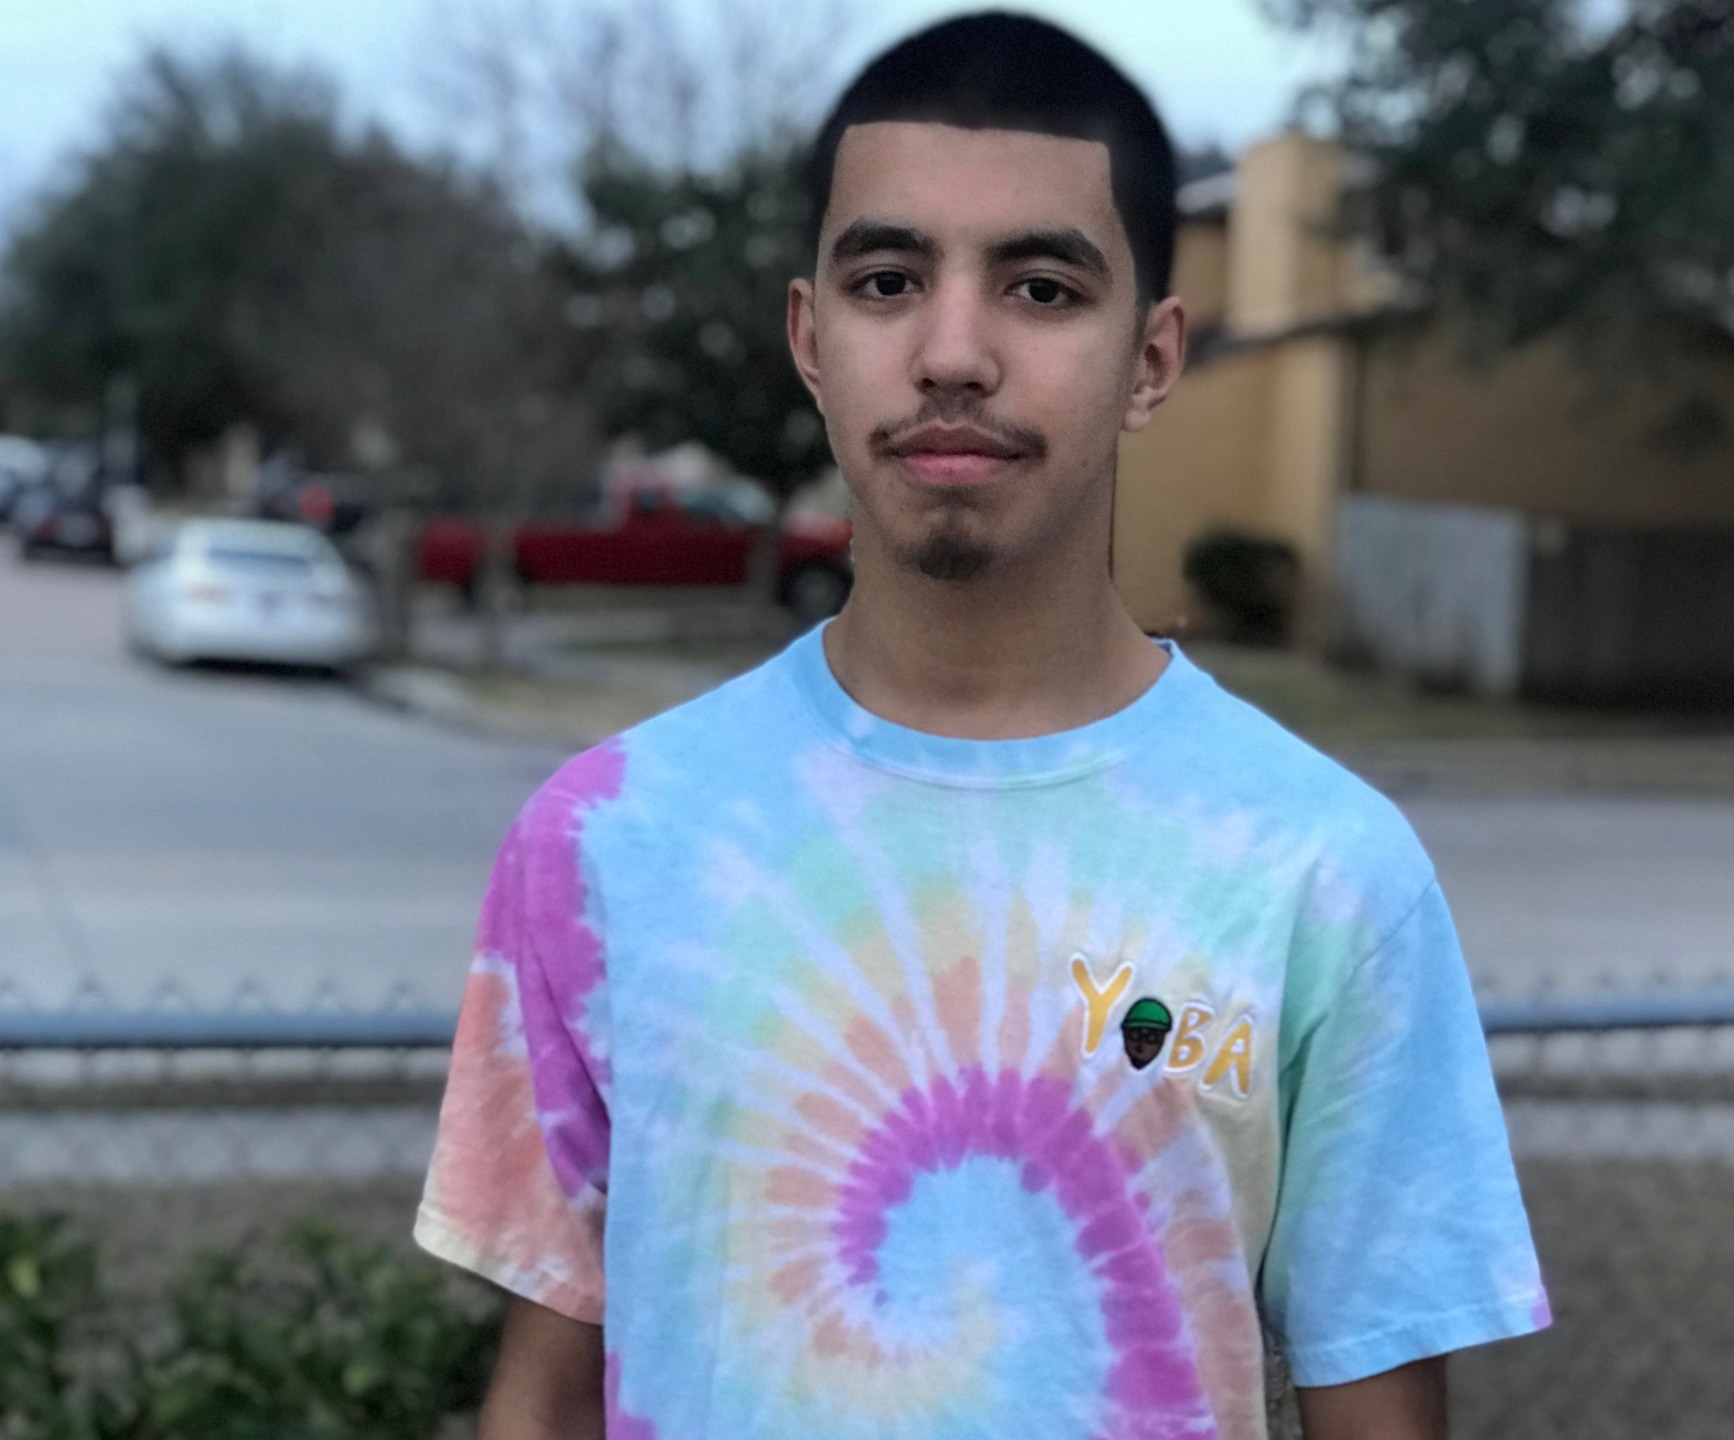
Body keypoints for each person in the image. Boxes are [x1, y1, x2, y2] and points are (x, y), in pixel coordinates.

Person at [416, 13, 1550, 1439]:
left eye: (1041, 288)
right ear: (810, 336)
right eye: (889, 281)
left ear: (1151, 359)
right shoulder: (601, 840)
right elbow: (543, 1400)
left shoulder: (1326, 872)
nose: (954, 352)